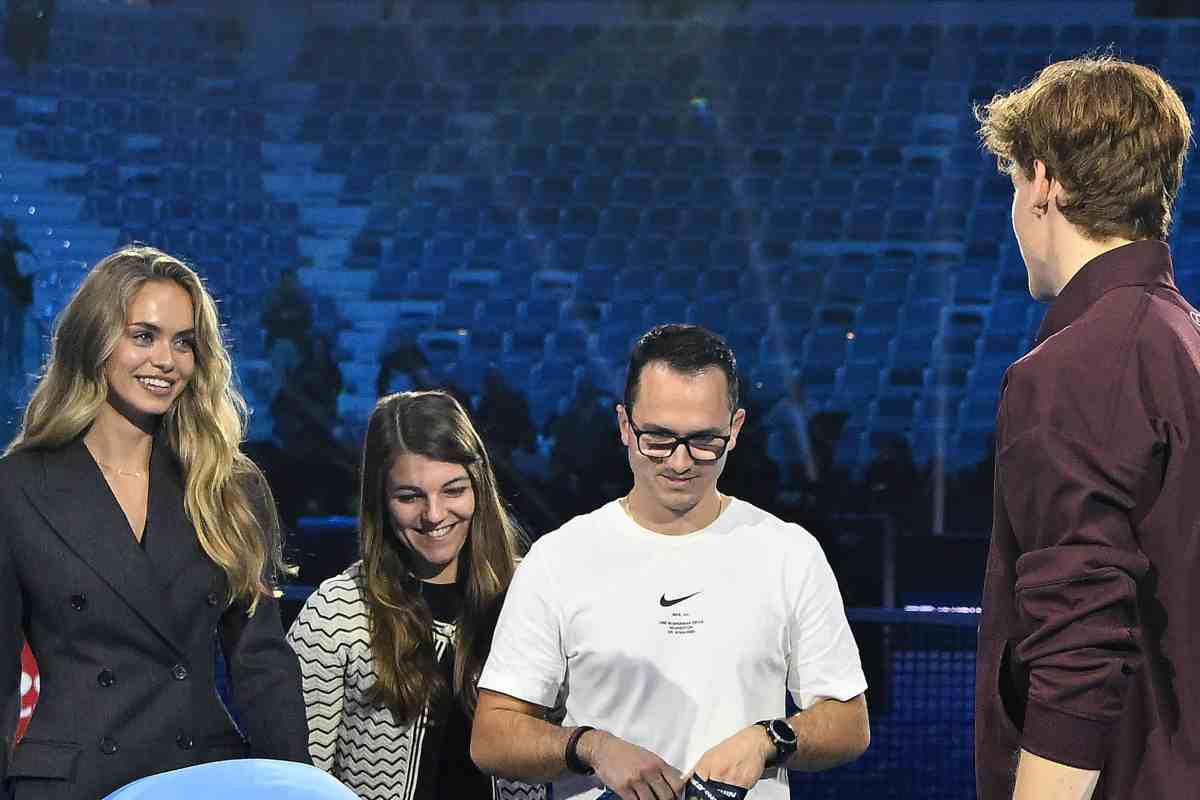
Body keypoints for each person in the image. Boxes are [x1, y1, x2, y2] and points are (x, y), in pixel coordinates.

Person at [471, 323, 870, 800]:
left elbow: (850, 722)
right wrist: (590, 747)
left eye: (704, 440)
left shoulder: (789, 552)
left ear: (735, 429)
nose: (680, 462)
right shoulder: (560, 557)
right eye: (657, 439)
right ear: (624, 425)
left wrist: (767, 739)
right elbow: (492, 736)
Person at [0, 246, 310, 800]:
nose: (167, 359)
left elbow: (261, 665)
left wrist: (294, 784)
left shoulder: (229, 487)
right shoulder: (18, 487)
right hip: (74, 782)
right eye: (144, 335)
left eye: (183, 341)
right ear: (95, 341)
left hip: (199, 774)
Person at [973, 56, 1198, 800]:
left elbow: (1079, 650)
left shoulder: (1075, 367)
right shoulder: (1184, 339)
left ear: (1044, 183)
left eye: (1011, 182)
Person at [287, 391, 545, 800]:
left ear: (479, 488)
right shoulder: (336, 613)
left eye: (453, 490)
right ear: (381, 501)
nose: (435, 514)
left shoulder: (532, 597)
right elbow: (297, 783)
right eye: (410, 497)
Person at [0, 219, 34, 381]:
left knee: (16, 332)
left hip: (16, 298)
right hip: (7, 296)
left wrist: (25, 298)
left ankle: (15, 365)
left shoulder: (23, 249)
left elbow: (29, 275)